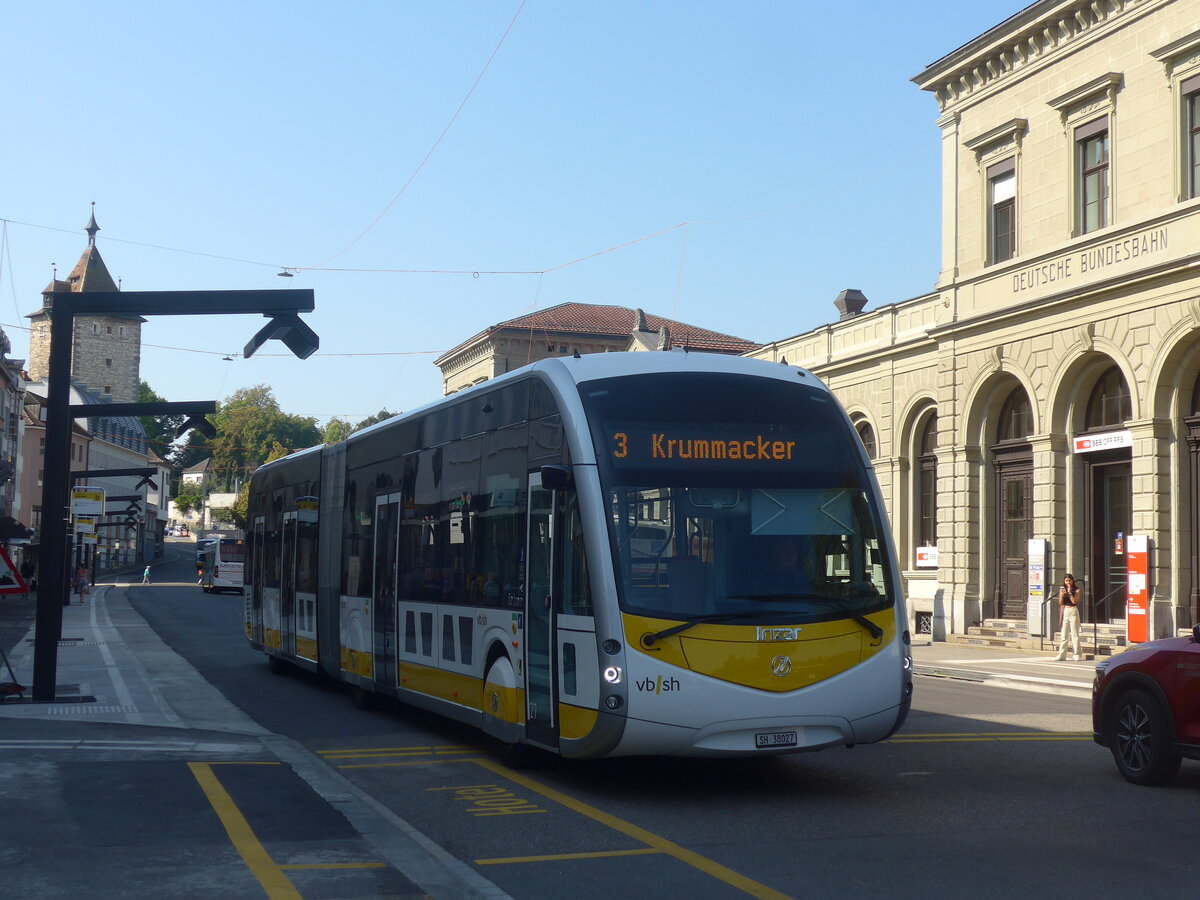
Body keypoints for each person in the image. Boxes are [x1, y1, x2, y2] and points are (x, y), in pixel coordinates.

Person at [1055, 573, 1083, 661]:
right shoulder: (1062, 590)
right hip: (1065, 611)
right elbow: (1060, 603)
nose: (1068, 583)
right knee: (1064, 634)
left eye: (1069, 581)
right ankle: (1062, 655)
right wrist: (1062, 595)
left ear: (1073, 581)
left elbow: (1074, 602)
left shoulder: (1077, 590)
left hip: (1073, 610)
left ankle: (1077, 655)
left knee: (1075, 634)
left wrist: (1070, 593)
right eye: (1066, 581)